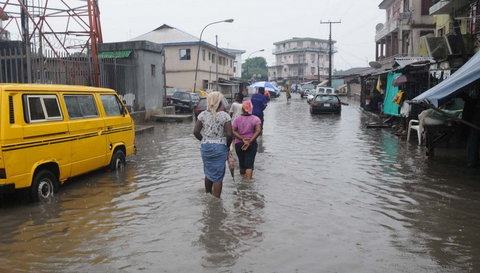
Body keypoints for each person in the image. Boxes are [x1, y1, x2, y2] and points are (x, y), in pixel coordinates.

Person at [194, 92, 232, 198]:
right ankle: (216, 201)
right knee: (218, 176)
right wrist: (227, 146)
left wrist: (203, 140)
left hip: (206, 147)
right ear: (219, 102)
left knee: (208, 171)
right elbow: (229, 134)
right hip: (220, 147)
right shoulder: (225, 116)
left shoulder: (202, 115)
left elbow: (196, 132)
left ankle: (207, 195)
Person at [232, 100, 262, 179]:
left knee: (241, 164)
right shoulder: (256, 119)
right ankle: (248, 186)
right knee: (249, 165)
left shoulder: (237, 119)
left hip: (239, 144)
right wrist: (250, 141)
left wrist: (242, 139)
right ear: (251, 108)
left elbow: (233, 130)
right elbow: (258, 131)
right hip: (251, 144)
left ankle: (242, 185)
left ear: (242, 108)